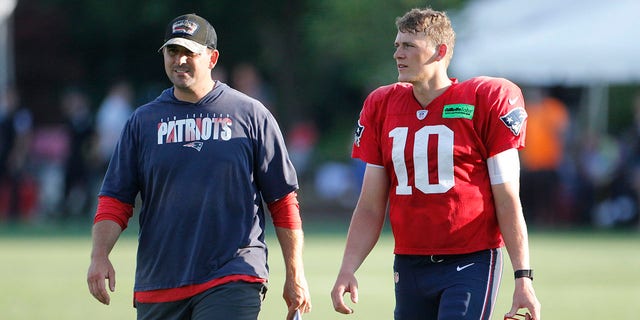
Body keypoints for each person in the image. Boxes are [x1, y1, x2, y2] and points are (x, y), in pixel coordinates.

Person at [86, 13, 311, 320]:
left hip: (233, 274)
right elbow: (115, 199)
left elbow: (283, 200)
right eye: (172, 52)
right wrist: (99, 256)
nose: (179, 60)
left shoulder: (250, 115)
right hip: (160, 280)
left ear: (212, 58)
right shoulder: (143, 121)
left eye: (189, 52)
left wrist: (295, 274)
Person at [330, 7, 541, 320]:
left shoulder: (484, 99)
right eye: (397, 46)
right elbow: (371, 204)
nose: (398, 54)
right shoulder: (382, 105)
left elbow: (508, 199)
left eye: (409, 46)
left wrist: (523, 276)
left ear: (440, 52)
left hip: (470, 259)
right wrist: (348, 267)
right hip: (409, 263)